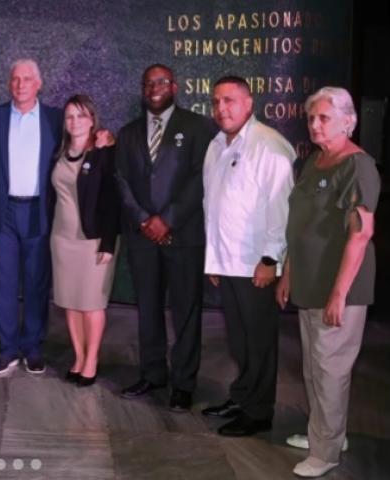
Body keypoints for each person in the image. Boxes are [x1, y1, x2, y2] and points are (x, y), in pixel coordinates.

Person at [276, 87, 380, 478]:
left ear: (349, 121)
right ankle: (326, 433)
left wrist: (340, 293)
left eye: (324, 118)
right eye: (311, 118)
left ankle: (327, 451)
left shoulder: (357, 166)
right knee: (314, 367)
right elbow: (299, 225)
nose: (315, 125)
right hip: (308, 281)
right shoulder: (315, 162)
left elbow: (360, 233)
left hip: (339, 286)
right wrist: (289, 273)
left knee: (331, 367)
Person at [114, 64, 216, 410]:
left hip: (183, 235)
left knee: (186, 311)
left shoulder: (199, 127)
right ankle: (153, 373)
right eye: (148, 83)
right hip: (142, 237)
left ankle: (184, 384)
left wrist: (167, 219)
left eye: (160, 82)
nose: (154, 88)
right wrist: (145, 220)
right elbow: (122, 182)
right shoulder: (127, 134)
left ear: (175, 86)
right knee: (148, 309)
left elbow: (201, 178)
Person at [203, 76, 295, 436]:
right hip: (227, 262)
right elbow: (212, 205)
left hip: (256, 264)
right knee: (239, 340)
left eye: (229, 100)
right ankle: (242, 397)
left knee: (259, 341)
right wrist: (214, 259)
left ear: (248, 103)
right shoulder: (216, 145)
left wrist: (271, 260)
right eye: (216, 102)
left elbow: (280, 207)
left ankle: (258, 413)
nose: (221, 108)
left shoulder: (268, 146)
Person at [0, 59, 64, 375]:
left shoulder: (56, 119)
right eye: (15, 79)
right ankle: (8, 348)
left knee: (37, 281)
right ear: (8, 83)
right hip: (4, 211)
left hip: (39, 210)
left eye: (27, 79)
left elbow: (83, 138)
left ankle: (33, 347)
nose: (20, 84)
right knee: (3, 283)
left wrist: (104, 138)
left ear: (39, 84)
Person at [50, 95, 120, 387]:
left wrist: (107, 243)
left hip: (93, 241)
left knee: (91, 304)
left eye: (80, 116)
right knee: (70, 302)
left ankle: (92, 360)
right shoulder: (59, 151)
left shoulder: (104, 151)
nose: (74, 122)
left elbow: (113, 199)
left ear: (92, 120)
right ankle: (78, 356)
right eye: (69, 117)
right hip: (62, 239)